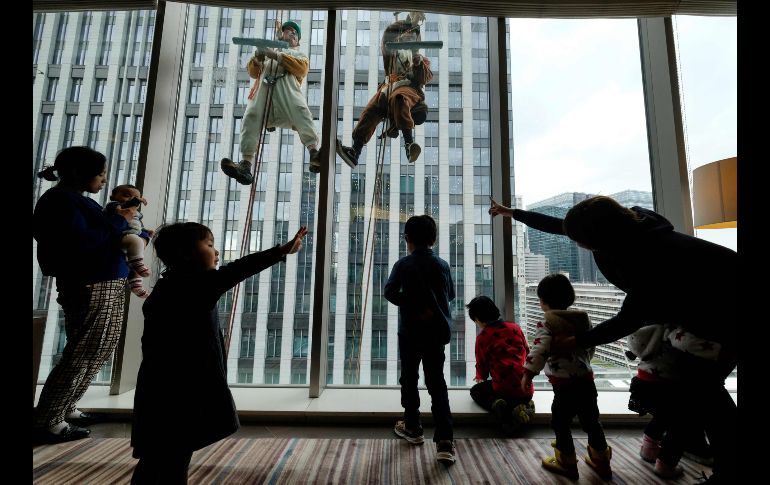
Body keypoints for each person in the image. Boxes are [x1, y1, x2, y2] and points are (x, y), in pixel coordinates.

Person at [489, 195, 736, 483]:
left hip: (726, 312)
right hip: (708, 307)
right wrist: (512, 213)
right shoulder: (628, 229)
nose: (576, 243)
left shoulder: (647, 257)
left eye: (580, 240)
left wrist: (576, 341)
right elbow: (561, 226)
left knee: (706, 393)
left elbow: (628, 319)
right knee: (697, 390)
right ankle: (693, 446)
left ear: (598, 238)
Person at [130, 222, 307, 483]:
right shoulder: (192, 287)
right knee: (169, 455)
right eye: (209, 245)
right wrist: (279, 251)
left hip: (162, 388)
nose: (216, 252)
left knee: (164, 455)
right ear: (185, 253)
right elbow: (237, 270)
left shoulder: (172, 286)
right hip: (178, 390)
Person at [33, 146, 137, 443]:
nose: (105, 179)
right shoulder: (60, 201)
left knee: (99, 348)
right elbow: (76, 242)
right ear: (80, 173)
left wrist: (118, 215)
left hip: (105, 280)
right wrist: (120, 221)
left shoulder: (74, 200)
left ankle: (64, 408)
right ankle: (48, 420)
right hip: (90, 282)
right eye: (101, 173)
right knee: (83, 352)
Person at [521, 273, 612, 481]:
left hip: (564, 386)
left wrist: (528, 373)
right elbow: (590, 345)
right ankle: (601, 460)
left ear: (543, 301)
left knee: (560, 422)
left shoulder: (547, 322)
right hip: (586, 380)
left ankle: (567, 462)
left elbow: (539, 349)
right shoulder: (583, 318)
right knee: (591, 421)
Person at [383, 214, 456, 466]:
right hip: (436, 332)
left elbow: (389, 292)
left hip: (410, 333)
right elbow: (451, 294)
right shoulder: (443, 265)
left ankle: (413, 427)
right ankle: (445, 441)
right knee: (437, 382)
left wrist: (413, 303)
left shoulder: (403, 265)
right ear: (434, 239)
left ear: (407, 239)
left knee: (409, 379)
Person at [221, 20, 322, 184]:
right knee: (251, 116)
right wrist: (258, 58)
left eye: (294, 33)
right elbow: (253, 72)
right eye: (287, 31)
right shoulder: (267, 56)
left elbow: (301, 68)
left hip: (286, 95)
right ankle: (246, 164)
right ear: (280, 35)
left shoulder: (298, 55)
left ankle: (314, 153)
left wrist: (275, 55)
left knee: (301, 111)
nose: (290, 34)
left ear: (298, 40)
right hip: (265, 96)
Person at [336, 12, 432, 169]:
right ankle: (355, 151)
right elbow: (388, 36)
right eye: (406, 35)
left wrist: (418, 63)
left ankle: (409, 144)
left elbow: (424, 77)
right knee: (370, 112)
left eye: (412, 36)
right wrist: (406, 24)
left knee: (399, 98)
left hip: (407, 88)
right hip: (387, 89)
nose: (408, 37)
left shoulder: (420, 59)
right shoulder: (392, 51)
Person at [625, 324, 716, 479]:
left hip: (641, 383)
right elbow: (692, 344)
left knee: (662, 417)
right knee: (680, 427)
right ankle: (665, 464)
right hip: (665, 387)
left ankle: (648, 449)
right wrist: (718, 349)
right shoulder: (671, 332)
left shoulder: (645, 332)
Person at [466, 295, 535, 434]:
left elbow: (482, 363)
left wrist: (481, 376)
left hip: (503, 390)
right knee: (517, 393)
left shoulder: (483, 337)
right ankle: (526, 405)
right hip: (525, 387)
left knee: (475, 392)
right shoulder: (515, 328)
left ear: (478, 319)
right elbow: (527, 351)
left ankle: (498, 405)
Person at [104, 184, 153, 298]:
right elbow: (121, 210)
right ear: (113, 196)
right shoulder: (113, 206)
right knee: (136, 248)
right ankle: (137, 268)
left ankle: (136, 285)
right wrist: (135, 202)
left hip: (131, 237)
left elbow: (137, 226)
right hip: (122, 236)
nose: (132, 199)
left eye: (136, 198)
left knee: (135, 262)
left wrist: (147, 231)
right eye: (127, 195)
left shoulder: (137, 214)